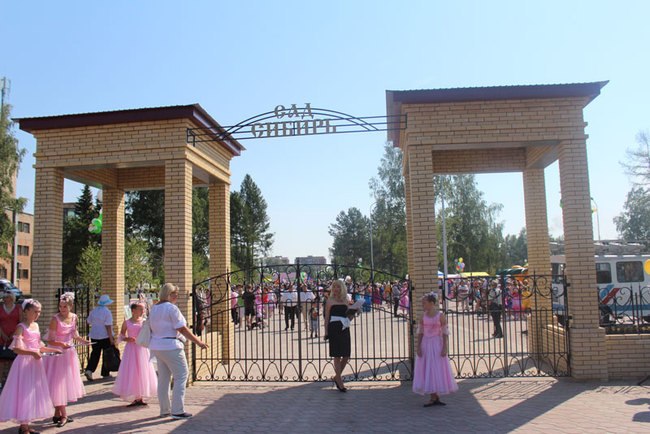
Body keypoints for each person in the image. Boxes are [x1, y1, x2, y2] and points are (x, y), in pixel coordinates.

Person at [0, 299, 61, 434]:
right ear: (26, 311)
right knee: (24, 392)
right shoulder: (21, 327)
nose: (37, 314)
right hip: (24, 364)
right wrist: (32, 353)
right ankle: (23, 426)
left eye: (39, 312)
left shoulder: (36, 326)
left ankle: (26, 424)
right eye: (35, 311)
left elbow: (38, 345)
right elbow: (16, 349)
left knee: (31, 393)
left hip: (35, 364)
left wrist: (53, 350)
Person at [149, 283, 208, 420]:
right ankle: (177, 410)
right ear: (169, 295)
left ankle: (164, 409)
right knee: (181, 375)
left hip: (157, 346)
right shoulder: (171, 308)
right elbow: (182, 328)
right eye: (175, 294)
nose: (176, 297)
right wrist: (198, 341)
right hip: (171, 346)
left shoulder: (155, 308)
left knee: (163, 378)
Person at [44, 292, 91, 427]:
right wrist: (61, 344)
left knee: (64, 383)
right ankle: (63, 415)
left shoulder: (74, 317)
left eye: (65, 306)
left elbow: (74, 335)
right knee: (57, 383)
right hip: (57, 354)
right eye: (60, 306)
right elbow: (50, 340)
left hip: (69, 354)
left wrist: (84, 341)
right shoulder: (55, 319)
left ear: (71, 306)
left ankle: (57, 413)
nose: (62, 309)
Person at [413, 292, 458, 406]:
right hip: (426, 344)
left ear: (432, 303)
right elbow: (420, 332)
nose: (423, 305)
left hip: (437, 344)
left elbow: (445, 332)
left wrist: (444, 347)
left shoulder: (440, 316)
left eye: (424, 303)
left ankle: (435, 395)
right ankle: (433, 396)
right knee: (428, 368)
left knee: (436, 368)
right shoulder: (423, 316)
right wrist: (418, 347)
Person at [113, 302, 157, 407]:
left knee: (143, 370)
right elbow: (121, 335)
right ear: (133, 310)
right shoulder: (127, 322)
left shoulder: (145, 322)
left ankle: (141, 396)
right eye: (140, 309)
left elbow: (150, 333)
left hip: (142, 349)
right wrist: (127, 339)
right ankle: (135, 396)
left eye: (143, 309)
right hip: (131, 349)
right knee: (133, 370)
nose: (142, 311)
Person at [324, 279, 351, 392]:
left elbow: (349, 316)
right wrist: (326, 331)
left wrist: (355, 311)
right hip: (334, 328)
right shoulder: (329, 301)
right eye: (334, 287)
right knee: (337, 355)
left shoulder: (346, 300)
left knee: (346, 355)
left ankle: (336, 376)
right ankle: (339, 380)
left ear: (342, 288)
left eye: (338, 287)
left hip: (344, 327)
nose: (336, 289)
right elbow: (327, 317)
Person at [85, 294, 115, 381]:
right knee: (106, 354)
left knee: (95, 353)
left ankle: (89, 370)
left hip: (94, 335)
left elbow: (88, 321)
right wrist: (111, 338)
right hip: (105, 336)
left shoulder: (93, 311)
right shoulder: (107, 312)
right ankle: (105, 373)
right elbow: (108, 326)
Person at [0, 291, 21, 386]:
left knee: (13, 360)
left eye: (6, 297)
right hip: (2, 337)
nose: (4, 299)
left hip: (14, 337)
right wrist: (2, 334)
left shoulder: (18, 308)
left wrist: (14, 333)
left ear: (12, 298)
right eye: (3, 297)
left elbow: (20, 322)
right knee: (1, 360)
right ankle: (0, 382)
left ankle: (11, 382)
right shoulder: (0, 308)